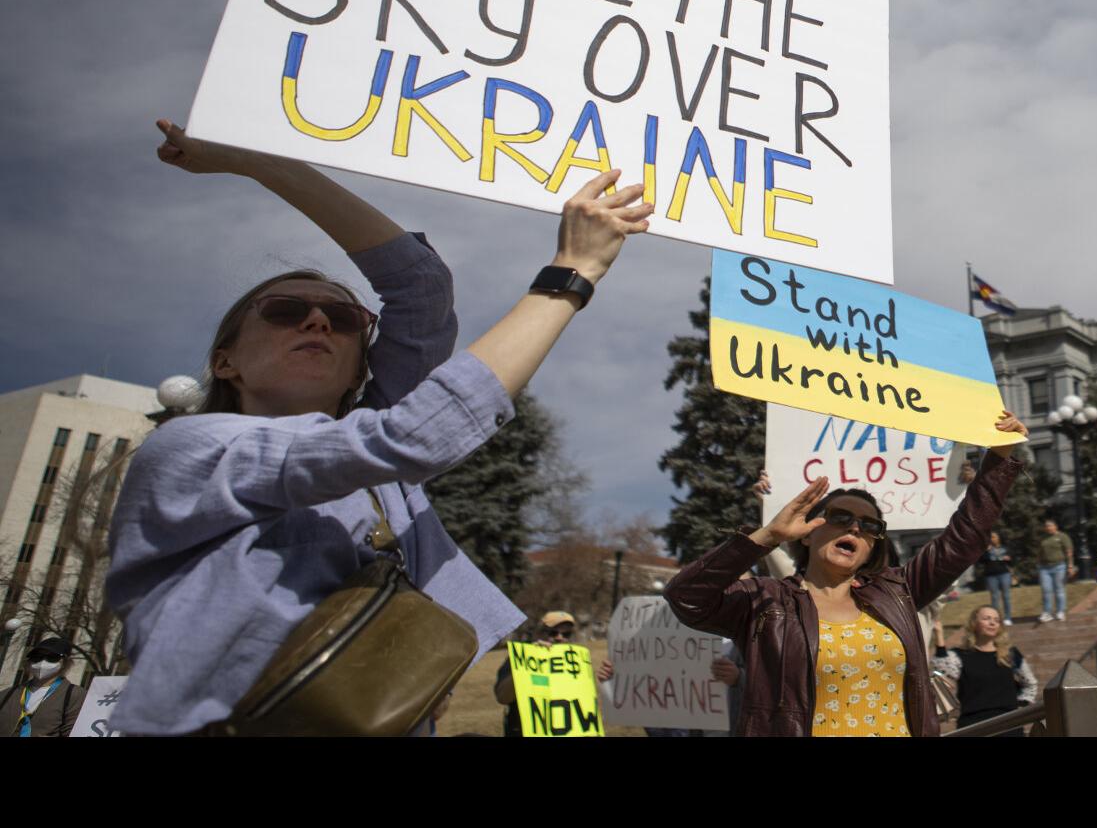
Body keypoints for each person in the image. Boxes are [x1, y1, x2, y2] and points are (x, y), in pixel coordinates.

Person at [104, 121, 651, 735]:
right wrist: (570, 272)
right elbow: (413, 435)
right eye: (285, 312)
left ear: (361, 365)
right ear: (225, 361)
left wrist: (264, 162)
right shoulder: (190, 450)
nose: (316, 321)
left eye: (341, 318)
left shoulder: (369, 464)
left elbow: (419, 286)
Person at [664, 412, 1027, 736]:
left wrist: (998, 459)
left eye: (869, 525)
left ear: (873, 546)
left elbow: (964, 539)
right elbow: (685, 597)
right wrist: (767, 536)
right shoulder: (766, 601)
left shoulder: (897, 592)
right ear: (808, 532)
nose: (854, 528)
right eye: (840, 518)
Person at [493, 611, 614, 737]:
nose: (559, 637)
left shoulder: (577, 664)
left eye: (566, 634)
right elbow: (502, 697)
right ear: (539, 633)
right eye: (553, 633)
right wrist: (526, 664)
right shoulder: (521, 658)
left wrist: (607, 680)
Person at [932, 606, 1037, 734]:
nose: (992, 623)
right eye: (986, 618)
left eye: (996, 620)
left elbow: (1030, 683)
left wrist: (1020, 704)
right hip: (973, 727)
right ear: (974, 623)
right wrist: (939, 636)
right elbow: (942, 671)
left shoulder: (1010, 654)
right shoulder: (960, 655)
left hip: (1009, 724)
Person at [1, 636, 88, 737]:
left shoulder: (75, 695)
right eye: (37, 657)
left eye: (52, 658)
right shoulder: (8, 694)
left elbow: (75, 732)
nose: (43, 662)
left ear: (65, 662)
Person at [1036, 519, 1076, 622]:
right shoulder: (1043, 538)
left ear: (1055, 526)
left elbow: (1069, 551)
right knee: (1046, 590)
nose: (1048, 528)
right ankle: (1047, 613)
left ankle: (1060, 611)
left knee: (1059, 589)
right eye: (1047, 526)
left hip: (1059, 566)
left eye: (1050, 526)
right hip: (1044, 568)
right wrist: (1038, 564)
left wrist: (1070, 565)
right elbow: (1039, 553)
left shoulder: (1062, 536)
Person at [980, 531, 1015, 624]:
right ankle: (996, 619)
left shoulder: (1005, 548)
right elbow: (981, 561)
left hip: (1004, 574)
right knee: (995, 597)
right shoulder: (986, 549)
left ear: (998, 538)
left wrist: (1009, 559)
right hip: (991, 575)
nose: (992, 539)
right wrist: (986, 551)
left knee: (1006, 596)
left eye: (994, 537)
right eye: (991, 537)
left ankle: (1008, 618)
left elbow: (1012, 562)